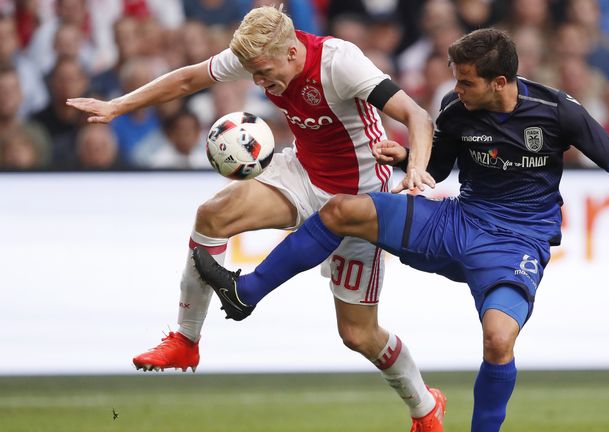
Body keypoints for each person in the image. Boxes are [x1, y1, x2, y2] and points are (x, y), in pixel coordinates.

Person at [192, 28, 609, 432]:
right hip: (458, 220)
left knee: (498, 339)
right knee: (340, 212)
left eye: (466, 81)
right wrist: (406, 159)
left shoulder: (557, 111)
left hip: (516, 240)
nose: (456, 89)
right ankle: (245, 292)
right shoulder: (456, 109)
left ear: (499, 82)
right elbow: (442, 167)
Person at [66, 6, 446, 431]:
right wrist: (118, 105)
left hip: (361, 198)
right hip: (303, 175)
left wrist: (415, 170)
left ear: (289, 50)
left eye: (265, 73)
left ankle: (425, 407)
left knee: (358, 335)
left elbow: (417, 116)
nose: (260, 83)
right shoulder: (255, 55)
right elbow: (189, 77)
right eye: (254, 76)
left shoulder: (340, 62)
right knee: (212, 214)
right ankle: (185, 340)